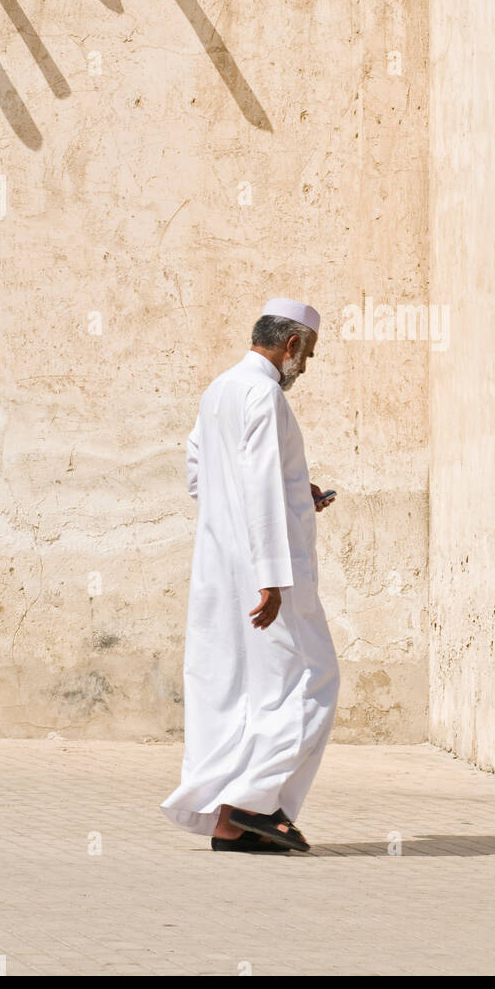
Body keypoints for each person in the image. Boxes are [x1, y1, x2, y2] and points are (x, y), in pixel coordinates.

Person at [161, 298, 339, 853]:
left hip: (221, 567)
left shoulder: (218, 390)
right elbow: (259, 483)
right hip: (269, 572)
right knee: (313, 681)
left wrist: (297, 496)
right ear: (291, 345)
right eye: (306, 355)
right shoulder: (263, 392)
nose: (304, 368)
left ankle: (231, 826)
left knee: (245, 690)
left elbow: (201, 474)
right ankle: (251, 803)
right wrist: (270, 577)